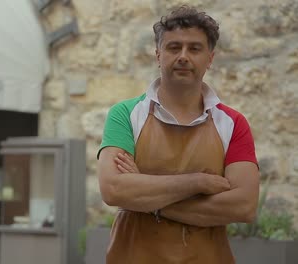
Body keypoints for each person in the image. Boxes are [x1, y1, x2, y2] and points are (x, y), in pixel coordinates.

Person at [97, 5, 259, 264]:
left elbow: (244, 206)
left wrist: (146, 198)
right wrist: (197, 183)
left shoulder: (233, 123)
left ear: (210, 58)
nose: (183, 56)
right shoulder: (125, 114)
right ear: (158, 54)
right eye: (174, 47)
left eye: (194, 48)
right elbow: (113, 189)